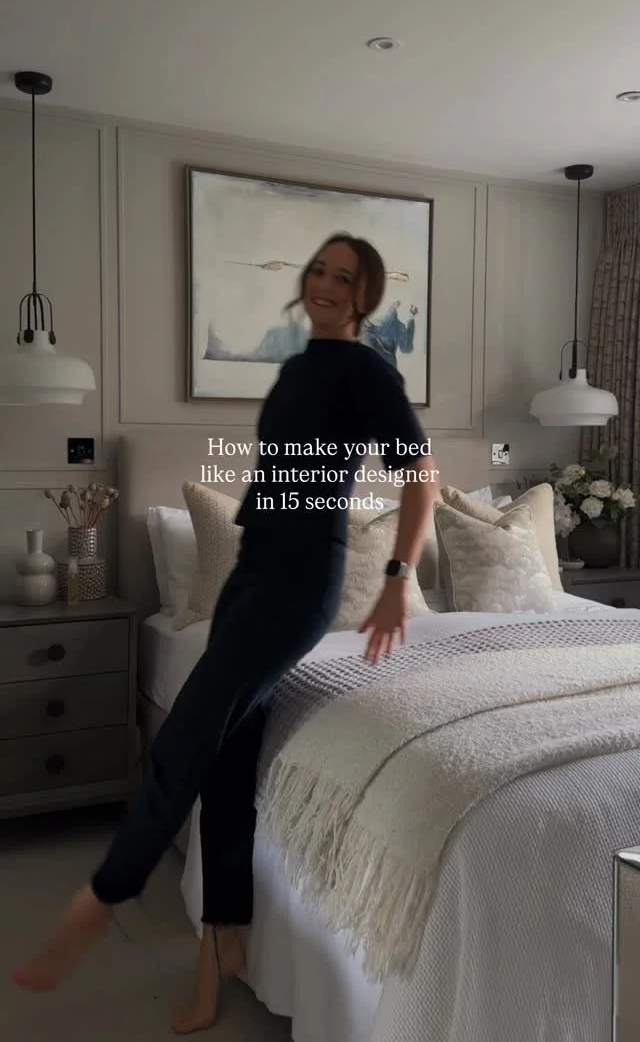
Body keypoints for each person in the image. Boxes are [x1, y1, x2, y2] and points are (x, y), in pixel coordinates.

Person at [13, 232, 439, 1035]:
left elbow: (421, 477)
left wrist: (395, 583)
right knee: (226, 766)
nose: (324, 283)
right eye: (319, 269)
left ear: (366, 294)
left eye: (344, 276)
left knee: (185, 740)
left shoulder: (366, 371)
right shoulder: (300, 368)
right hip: (250, 574)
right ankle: (222, 948)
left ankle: (99, 903)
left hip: (299, 585)